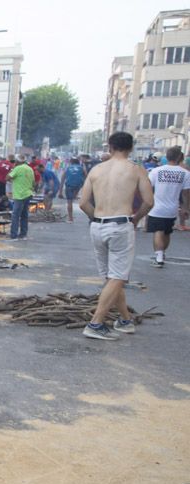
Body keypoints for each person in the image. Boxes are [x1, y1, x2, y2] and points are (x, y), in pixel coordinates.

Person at [77, 131, 153, 340]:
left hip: (98, 226)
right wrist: (136, 218)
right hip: (120, 225)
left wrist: (97, 219)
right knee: (118, 277)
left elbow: (83, 203)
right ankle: (95, 323)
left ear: (110, 147)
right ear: (130, 148)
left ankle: (125, 320)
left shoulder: (96, 169)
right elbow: (149, 201)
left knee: (112, 278)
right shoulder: (136, 170)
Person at [146, 145, 190, 268]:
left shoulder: (156, 171)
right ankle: (162, 253)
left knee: (158, 231)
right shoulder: (185, 173)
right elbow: (186, 193)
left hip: (157, 207)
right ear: (179, 158)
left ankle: (159, 257)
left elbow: (148, 187)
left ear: (167, 157)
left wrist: (146, 203)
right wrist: (186, 208)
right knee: (166, 232)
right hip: (172, 208)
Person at [7, 156, 36, 240]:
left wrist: (12, 169)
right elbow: (34, 183)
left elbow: (7, 178)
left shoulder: (17, 168)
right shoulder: (30, 169)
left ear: (17, 161)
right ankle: (23, 234)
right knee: (24, 215)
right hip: (28, 194)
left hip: (19, 195)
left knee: (15, 215)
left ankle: (14, 235)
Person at [59, 157, 86, 223]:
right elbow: (87, 178)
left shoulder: (68, 168)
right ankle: (75, 195)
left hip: (69, 186)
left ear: (71, 162)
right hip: (78, 185)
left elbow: (62, 179)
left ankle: (70, 219)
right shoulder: (82, 168)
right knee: (76, 189)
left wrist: (60, 192)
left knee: (69, 202)